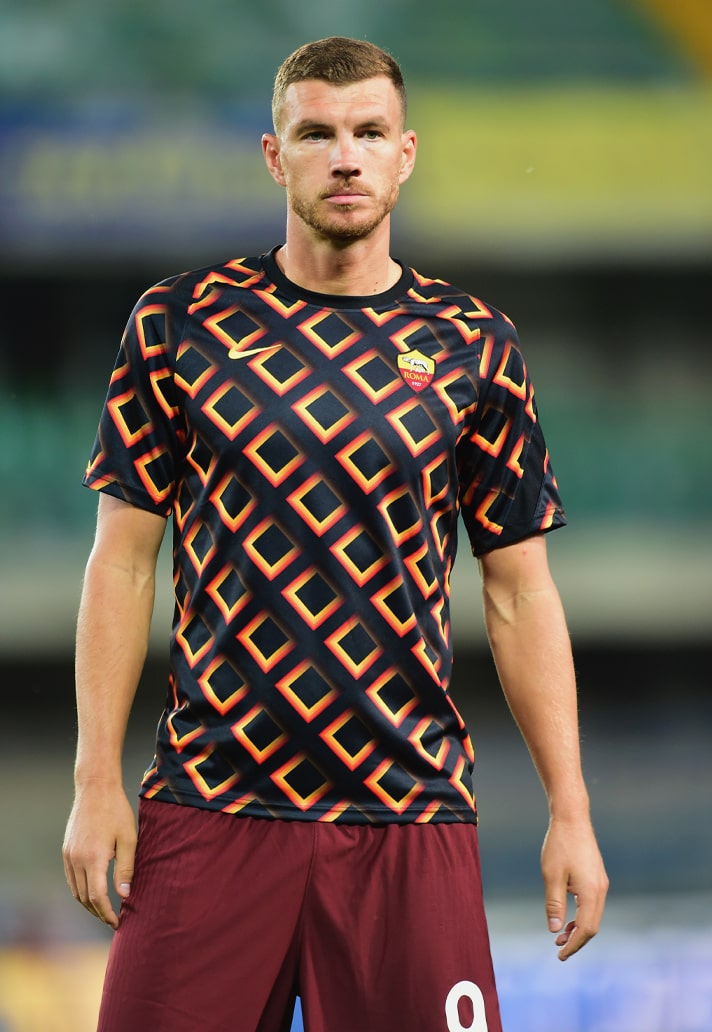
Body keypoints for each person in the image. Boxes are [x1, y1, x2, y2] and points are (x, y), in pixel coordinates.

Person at [62, 36, 608, 1032]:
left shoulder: (475, 343)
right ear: (275, 156)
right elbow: (123, 562)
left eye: (368, 133)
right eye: (316, 134)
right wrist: (96, 779)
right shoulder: (177, 324)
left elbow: (520, 592)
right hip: (211, 804)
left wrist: (568, 807)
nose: (345, 158)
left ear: (406, 152)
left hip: (409, 812)